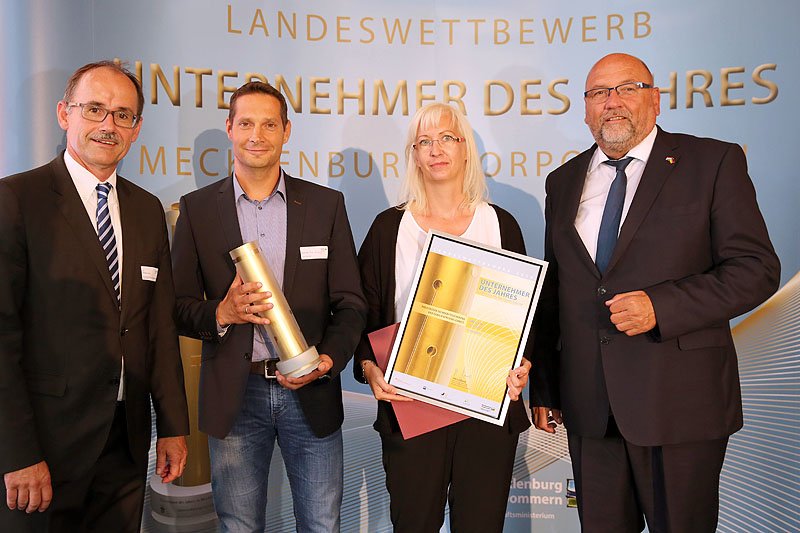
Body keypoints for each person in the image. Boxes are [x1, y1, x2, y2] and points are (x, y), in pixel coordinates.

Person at [531, 52, 781, 532]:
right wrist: (545, 384)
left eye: (627, 88)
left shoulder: (712, 162)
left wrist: (661, 307)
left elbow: (756, 269)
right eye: (599, 93)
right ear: (585, 109)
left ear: (656, 100)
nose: (612, 102)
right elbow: (556, 289)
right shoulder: (562, 181)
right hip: (589, 407)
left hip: (678, 402)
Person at [0, 60, 190, 532]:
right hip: (43, 450)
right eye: (94, 109)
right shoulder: (17, 200)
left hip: (125, 445)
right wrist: (17, 453)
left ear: (137, 129)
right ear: (64, 113)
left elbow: (158, 328)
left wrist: (172, 426)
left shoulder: (147, 210)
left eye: (123, 115)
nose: (109, 125)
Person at [171, 81, 367, 532]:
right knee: (239, 525)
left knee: (322, 525)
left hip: (312, 391)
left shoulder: (325, 205)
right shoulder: (197, 210)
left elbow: (351, 304)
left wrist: (327, 360)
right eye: (246, 124)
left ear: (286, 131)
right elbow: (177, 306)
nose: (256, 136)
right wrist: (222, 313)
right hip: (235, 395)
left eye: (268, 124)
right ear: (229, 129)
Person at [355, 102, 532, 533]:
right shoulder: (388, 229)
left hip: (485, 411)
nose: (436, 149)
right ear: (414, 155)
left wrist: (524, 364)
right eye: (425, 141)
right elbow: (358, 316)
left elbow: (525, 318)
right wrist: (369, 368)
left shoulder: (501, 224)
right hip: (410, 408)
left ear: (465, 149)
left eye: (447, 138)